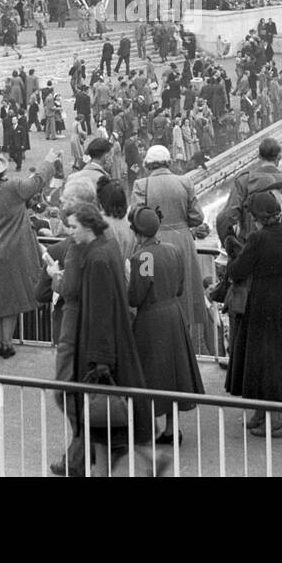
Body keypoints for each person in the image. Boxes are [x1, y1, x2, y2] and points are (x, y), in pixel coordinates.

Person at [55, 201, 159, 477]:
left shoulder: (96, 258)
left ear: (88, 226)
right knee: (108, 426)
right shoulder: (106, 247)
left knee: (101, 425)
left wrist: (99, 361)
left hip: (100, 351)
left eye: (74, 227)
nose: (71, 233)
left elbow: (99, 312)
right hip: (113, 345)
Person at [126, 206, 205, 441]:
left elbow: (135, 297)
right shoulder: (173, 250)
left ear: (138, 233)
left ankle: (146, 427)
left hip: (151, 318)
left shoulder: (142, 257)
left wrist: (129, 278)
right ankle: (172, 429)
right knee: (173, 374)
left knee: (149, 374)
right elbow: (180, 287)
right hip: (173, 313)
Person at [224, 191, 282, 437]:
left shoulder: (257, 238)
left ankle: (272, 420)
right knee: (274, 355)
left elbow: (237, 271)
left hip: (259, 300)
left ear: (258, 217)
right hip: (279, 296)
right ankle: (263, 414)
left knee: (258, 358)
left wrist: (235, 253)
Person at [0, 152, 55, 357]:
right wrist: (48, 161)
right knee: (13, 299)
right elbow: (38, 180)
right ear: (2, 172)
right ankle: (7, 342)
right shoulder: (14, 187)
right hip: (11, 251)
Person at [129, 145, 210, 351]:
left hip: (152, 242)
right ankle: (186, 344)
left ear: (148, 164)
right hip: (182, 240)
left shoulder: (141, 184)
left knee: (153, 294)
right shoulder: (184, 181)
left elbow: (137, 217)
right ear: (169, 162)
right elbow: (197, 217)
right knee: (185, 294)